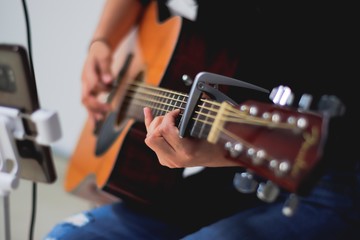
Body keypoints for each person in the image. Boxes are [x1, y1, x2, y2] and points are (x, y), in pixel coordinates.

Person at [44, 0, 359, 239]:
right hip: (229, 172)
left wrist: (225, 149)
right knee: (68, 235)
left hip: (327, 170)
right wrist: (102, 43)